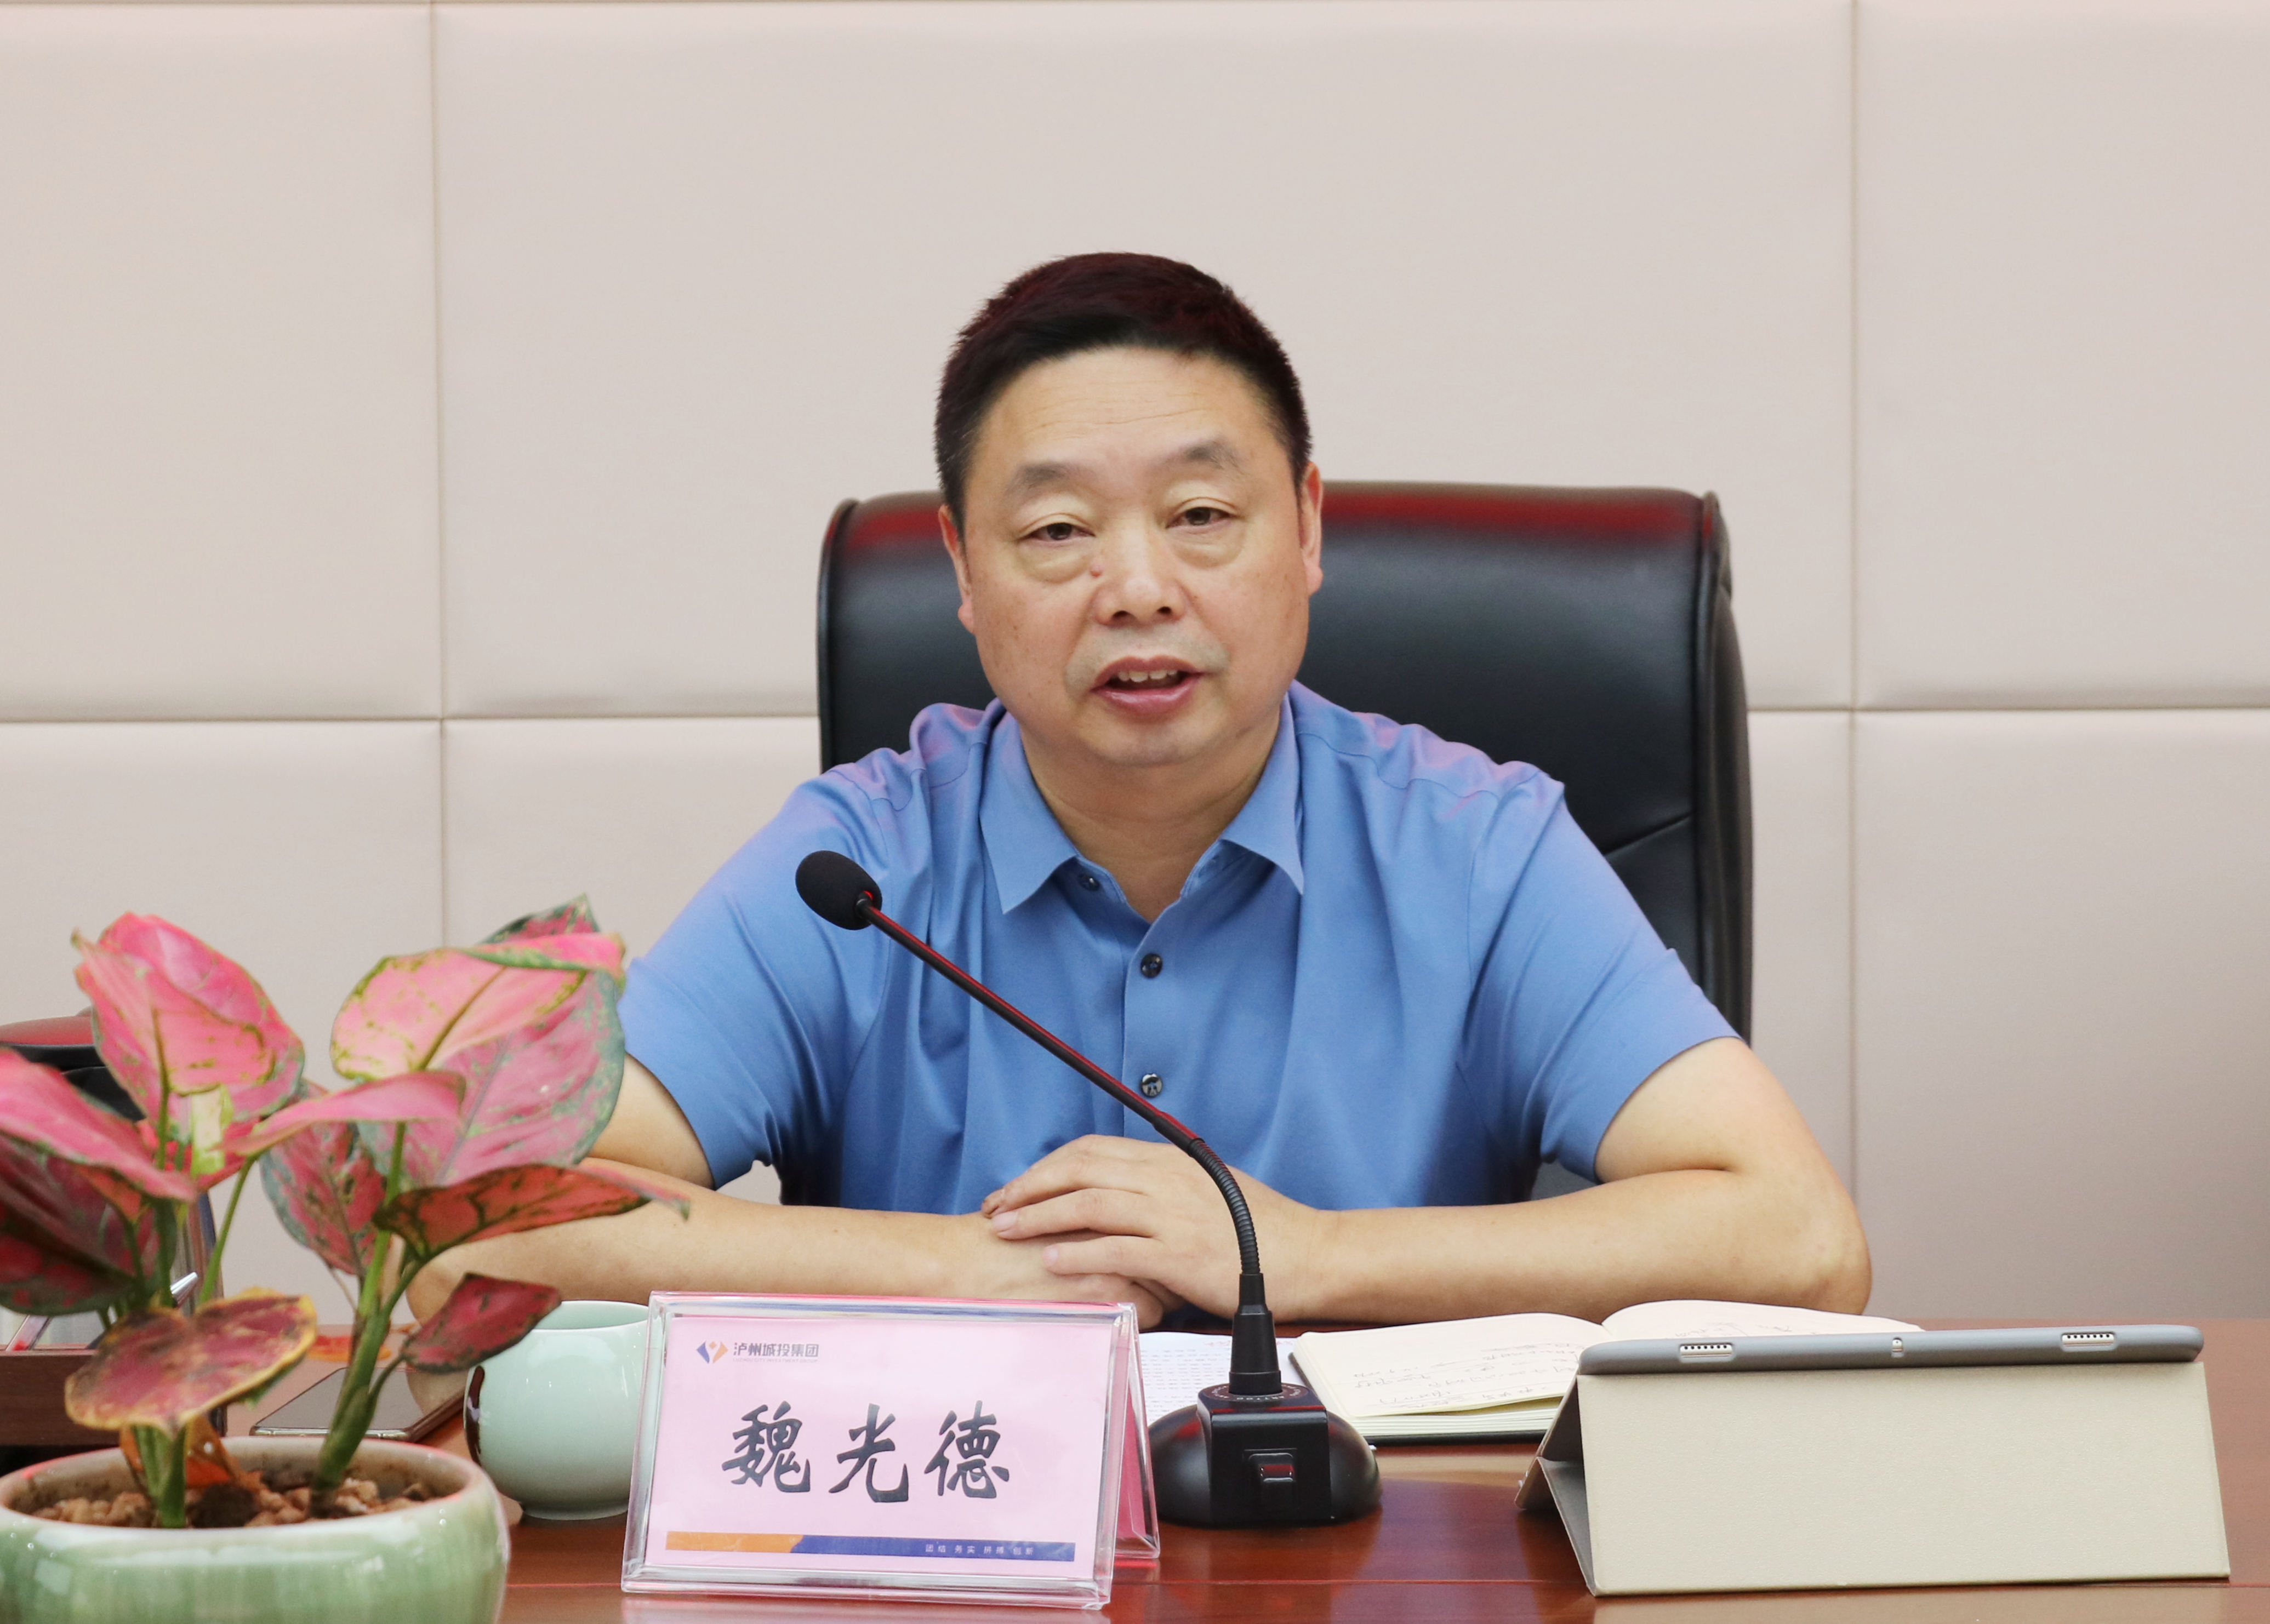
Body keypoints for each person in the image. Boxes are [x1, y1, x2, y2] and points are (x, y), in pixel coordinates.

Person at [411, 254, 1868, 1329]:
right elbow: (483, 1231)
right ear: (964, 572)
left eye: (1201, 515)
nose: (1137, 588)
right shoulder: (861, 868)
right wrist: (978, 1271)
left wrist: (1306, 1255)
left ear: (1308, 530)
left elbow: (1801, 1238)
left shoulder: (1477, 850)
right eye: (1058, 530)